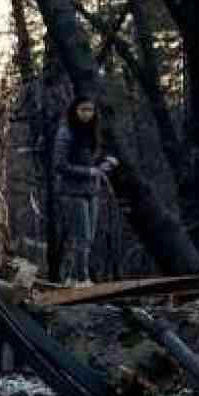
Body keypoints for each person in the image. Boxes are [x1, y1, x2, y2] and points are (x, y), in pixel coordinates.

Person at [52, 96, 117, 284]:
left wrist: (105, 162)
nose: (87, 114)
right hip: (72, 191)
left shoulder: (92, 132)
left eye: (90, 109)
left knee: (88, 238)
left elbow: (91, 159)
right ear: (75, 110)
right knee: (83, 236)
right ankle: (83, 278)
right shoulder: (66, 132)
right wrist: (89, 171)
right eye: (83, 109)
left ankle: (71, 278)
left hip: (91, 190)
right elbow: (59, 164)